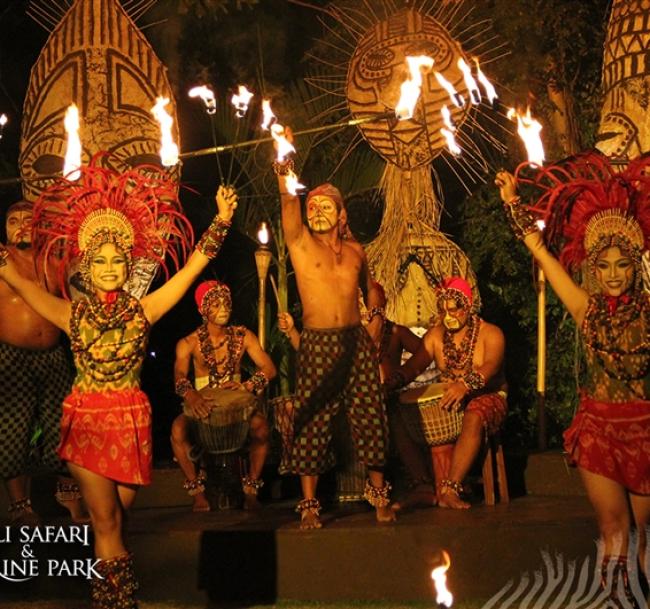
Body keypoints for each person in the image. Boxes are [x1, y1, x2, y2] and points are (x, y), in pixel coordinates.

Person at [0, 158, 237, 609]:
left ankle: (105, 594)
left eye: (117, 260)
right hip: (87, 419)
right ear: (86, 268)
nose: (109, 267)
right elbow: (11, 275)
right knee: (107, 523)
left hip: (131, 421)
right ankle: (117, 602)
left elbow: (191, 270)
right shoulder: (69, 313)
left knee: (118, 524)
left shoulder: (144, 309)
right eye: (99, 260)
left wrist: (222, 220)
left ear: (129, 266)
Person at [496, 153, 649, 606]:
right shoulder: (585, 309)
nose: (614, 275)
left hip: (645, 431)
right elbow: (542, 253)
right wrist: (512, 203)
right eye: (605, 266)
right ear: (593, 269)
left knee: (645, 536)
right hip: (600, 431)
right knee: (613, 529)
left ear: (636, 267)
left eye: (623, 265)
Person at [274, 152, 395, 529]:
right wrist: (284, 166)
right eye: (313, 206)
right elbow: (288, 203)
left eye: (326, 206)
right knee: (312, 422)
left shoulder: (358, 252)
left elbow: (370, 290)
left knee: (370, 417)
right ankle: (309, 504)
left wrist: (374, 321)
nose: (317, 212)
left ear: (342, 215)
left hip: (356, 342)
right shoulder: (300, 243)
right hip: (318, 344)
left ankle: (379, 496)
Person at [384, 277, 507, 509]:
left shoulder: (491, 334)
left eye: (454, 309)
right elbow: (413, 367)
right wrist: (391, 383)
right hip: (449, 401)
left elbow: (489, 367)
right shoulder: (435, 336)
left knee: (474, 412)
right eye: (444, 310)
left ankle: (451, 489)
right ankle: (422, 485)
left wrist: (465, 385)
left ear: (467, 307)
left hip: (487, 398)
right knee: (395, 411)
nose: (449, 315)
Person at [0, 200, 86, 526]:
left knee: (64, 429)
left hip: (53, 356)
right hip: (10, 357)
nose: (19, 225)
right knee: (12, 430)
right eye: (12, 220)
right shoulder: (1, 259)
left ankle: (71, 501)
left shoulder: (54, 259)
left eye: (26, 220)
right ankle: (20, 506)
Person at [171, 279, 276, 511]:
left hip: (239, 410)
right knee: (177, 431)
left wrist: (247, 386)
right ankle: (197, 493)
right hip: (202, 408)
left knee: (261, 428)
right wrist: (191, 396)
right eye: (215, 304)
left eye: (226, 303)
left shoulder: (243, 336)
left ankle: (251, 490)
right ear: (202, 309)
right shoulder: (189, 343)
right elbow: (178, 376)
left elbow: (269, 368)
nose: (224, 308)